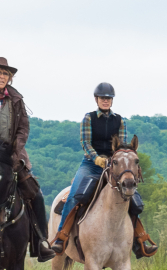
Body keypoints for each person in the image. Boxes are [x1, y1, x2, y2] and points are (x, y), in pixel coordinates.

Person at [51, 83, 158, 258]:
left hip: (114, 166)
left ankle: (140, 241)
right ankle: (60, 238)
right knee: (75, 195)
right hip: (91, 164)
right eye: (102, 98)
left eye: (108, 98)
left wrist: (115, 161)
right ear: (97, 99)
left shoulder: (120, 120)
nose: (105, 101)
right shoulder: (89, 118)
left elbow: (122, 147)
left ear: (112, 100)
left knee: (132, 199)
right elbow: (85, 143)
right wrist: (96, 158)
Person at [0, 57, 56, 262]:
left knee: (36, 194)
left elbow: (23, 127)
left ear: (10, 78)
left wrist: (17, 150)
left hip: (11, 154)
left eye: (5, 74)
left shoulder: (16, 100)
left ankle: (40, 242)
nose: (2, 76)